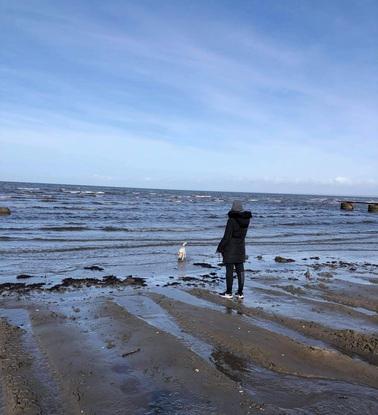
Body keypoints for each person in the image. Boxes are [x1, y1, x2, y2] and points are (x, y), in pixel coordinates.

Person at [216, 200, 252, 299]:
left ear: (233, 208)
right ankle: (240, 293)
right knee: (241, 270)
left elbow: (226, 237)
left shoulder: (231, 220)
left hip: (230, 249)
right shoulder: (247, 220)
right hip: (241, 247)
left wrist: (220, 247)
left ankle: (228, 293)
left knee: (229, 271)